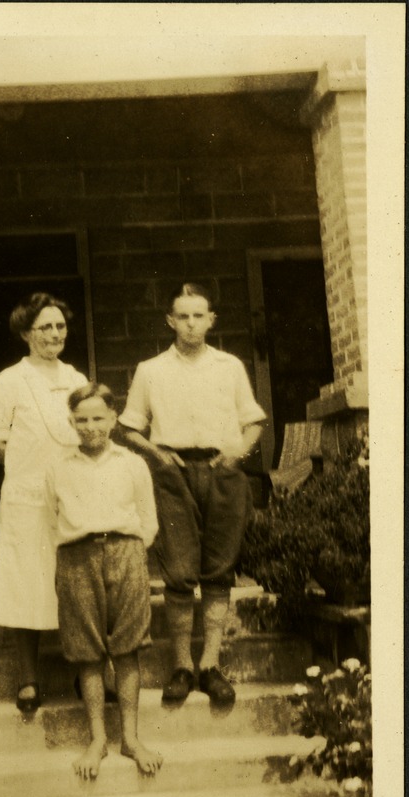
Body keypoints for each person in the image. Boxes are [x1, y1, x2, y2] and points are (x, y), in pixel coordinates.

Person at [116, 282, 266, 707]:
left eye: (199, 315)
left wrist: (240, 451)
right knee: (179, 571)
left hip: (223, 469)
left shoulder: (230, 366)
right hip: (173, 474)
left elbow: (253, 421)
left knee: (219, 569)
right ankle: (182, 665)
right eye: (183, 316)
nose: (191, 323)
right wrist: (158, 455)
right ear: (170, 321)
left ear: (211, 320)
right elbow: (129, 427)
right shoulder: (151, 369)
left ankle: (210, 664)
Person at [45, 382, 162, 779]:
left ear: (113, 419)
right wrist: (75, 553)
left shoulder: (132, 463)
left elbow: (149, 519)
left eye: (98, 418)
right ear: (71, 422)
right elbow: (51, 519)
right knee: (88, 652)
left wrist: (128, 551)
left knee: (128, 648)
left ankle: (130, 737)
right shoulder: (59, 467)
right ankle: (97, 740)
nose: (91, 426)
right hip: (77, 557)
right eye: (82, 419)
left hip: (127, 553)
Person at [0, 292, 87, 713]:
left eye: (60, 326)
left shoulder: (77, 379)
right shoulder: (9, 381)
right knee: (27, 582)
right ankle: (28, 680)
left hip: (74, 496)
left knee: (77, 584)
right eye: (45, 327)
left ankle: (86, 674)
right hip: (27, 498)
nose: (55, 334)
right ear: (26, 333)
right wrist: (32, 463)